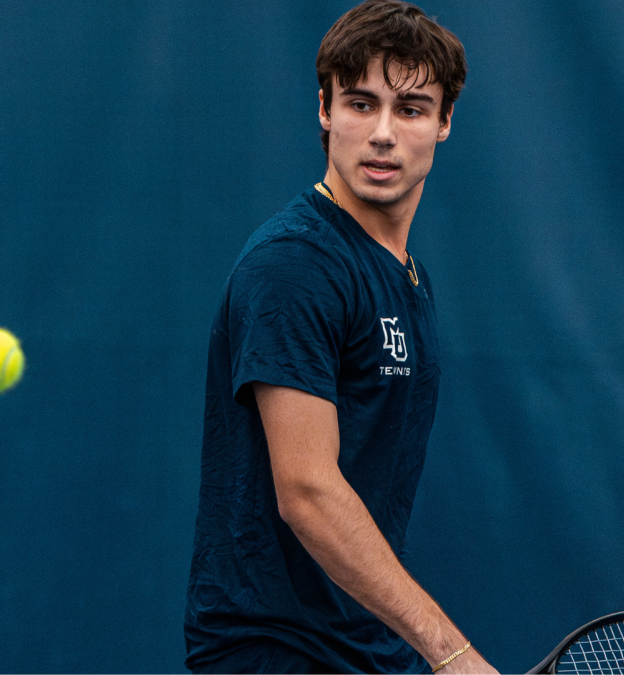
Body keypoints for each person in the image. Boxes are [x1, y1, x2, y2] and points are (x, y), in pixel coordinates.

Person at [185, 1, 497, 673]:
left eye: (410, 109)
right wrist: (453, 653)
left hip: (368, 650)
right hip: (278, 652)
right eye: (360, 103)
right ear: (324, 111)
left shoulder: (404, 275)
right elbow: (308, 491)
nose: (382, 133)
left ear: (444, 123)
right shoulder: (295, 265)